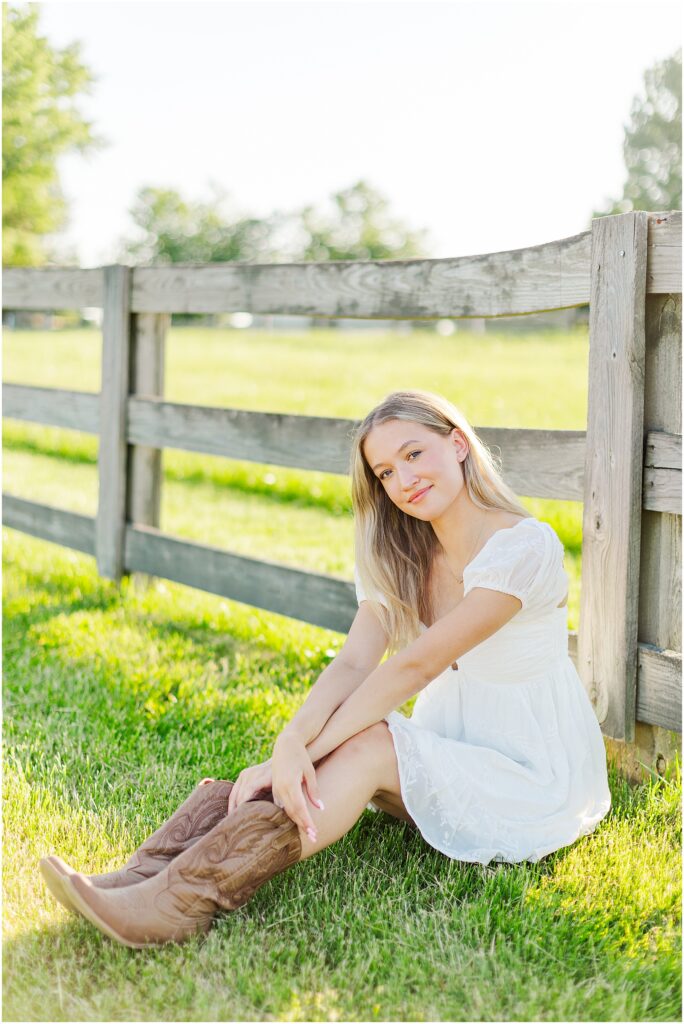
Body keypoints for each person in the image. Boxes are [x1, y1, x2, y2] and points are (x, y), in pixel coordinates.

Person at [39, 388, 612, 948]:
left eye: (413, 454)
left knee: (366, 742)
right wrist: (289, 743)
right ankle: (141, 877)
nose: (403, 480)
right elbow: (355, 660)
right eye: (385, 472)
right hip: (453, 745)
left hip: (533, 773)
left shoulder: (522, 547)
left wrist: (303, 756)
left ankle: (183, 902)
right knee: (344, 743)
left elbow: (414, 666)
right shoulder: (406, 551)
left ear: (459, 444)